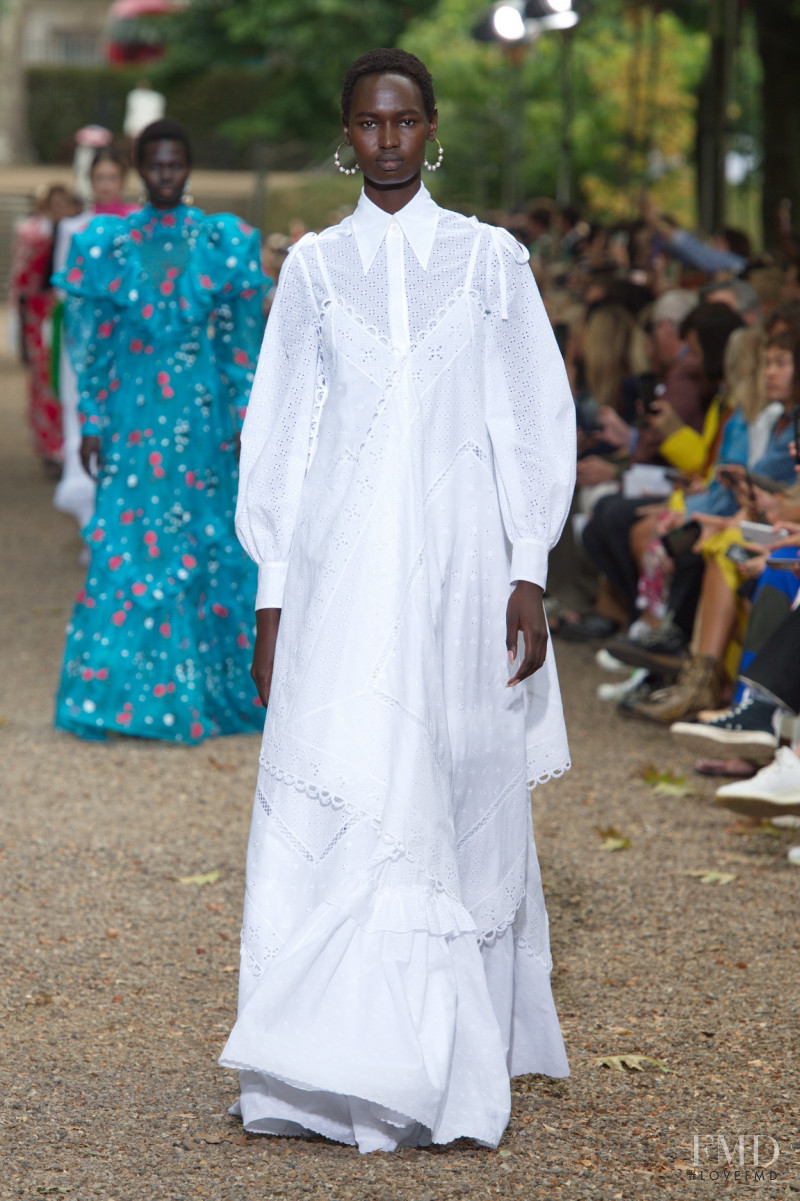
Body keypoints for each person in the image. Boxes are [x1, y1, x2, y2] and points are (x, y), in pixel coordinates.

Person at [220, 48, 575, 1152]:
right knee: (348, 779)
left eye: (405, 120)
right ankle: (308, 1063)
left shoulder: (488, 261)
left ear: (431, 130)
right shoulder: (314, 271)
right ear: (345, 132)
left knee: (453, 780)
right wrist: (274, 591)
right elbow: (280, 433)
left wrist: (530, 564)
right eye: (368, 122)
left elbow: (527, 415)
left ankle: (446, 1047)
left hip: (462, 561)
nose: (386, 139)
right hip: (338, 571)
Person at [53, 119, 266, 743]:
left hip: (205, 425)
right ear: (140, 168)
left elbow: (240, 347)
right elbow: (90, 347)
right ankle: (125, 699)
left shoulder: (222, 242)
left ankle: (207, 692)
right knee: (131, 543)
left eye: (176, 164)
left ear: (189, 166)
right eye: (156, 165)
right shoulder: (107, 244)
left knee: (207, 544)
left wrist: (249, 420)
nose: (167, 175)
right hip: (135, 420)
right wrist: (90, 421)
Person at [53, 148, 137, 532]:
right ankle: (88, 513)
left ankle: (120, 510)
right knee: (83, 415)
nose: (105, 184)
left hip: (128, 338)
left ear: (122, 180)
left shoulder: (137, 225)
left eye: (111, 177)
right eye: (98, 177)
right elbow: (62, 286)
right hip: (86, 340)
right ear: (90, 181)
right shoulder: (74, 228)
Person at [9, 183, 74, 468]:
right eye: (54, 204)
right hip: (39, 315)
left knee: (60, 378)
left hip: (62, 314)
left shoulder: (74, 233)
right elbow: (23, 280)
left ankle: (59, 441)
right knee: (43, 378)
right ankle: (47, 442)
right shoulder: (34, 235)